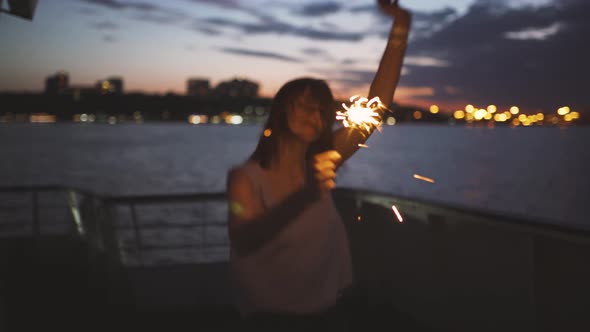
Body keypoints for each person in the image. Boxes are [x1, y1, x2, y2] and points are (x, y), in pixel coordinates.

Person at [226, 1, 411, 330]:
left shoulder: (324, 158)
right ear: (282, 111)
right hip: (270, 317)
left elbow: (377, 107)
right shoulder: (246, 179)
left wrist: (400, 29)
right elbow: (245, 240)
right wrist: (306, 195)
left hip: (328, 311)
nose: (315, 115)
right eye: (304, 106)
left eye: (321, 109)